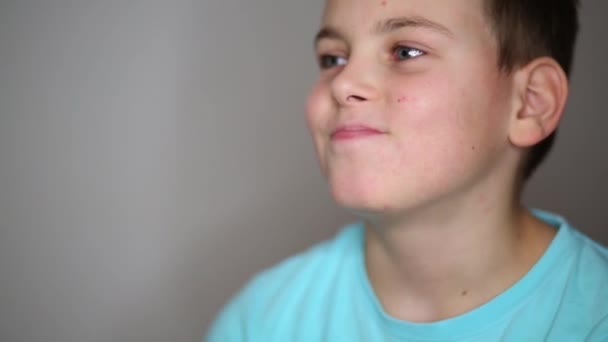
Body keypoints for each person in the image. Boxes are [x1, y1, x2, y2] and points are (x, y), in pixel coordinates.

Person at [207, 0, 608, 340]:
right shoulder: (262, 321)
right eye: (333, 58)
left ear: (530, 103)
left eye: (406, 52)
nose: (344, 82)